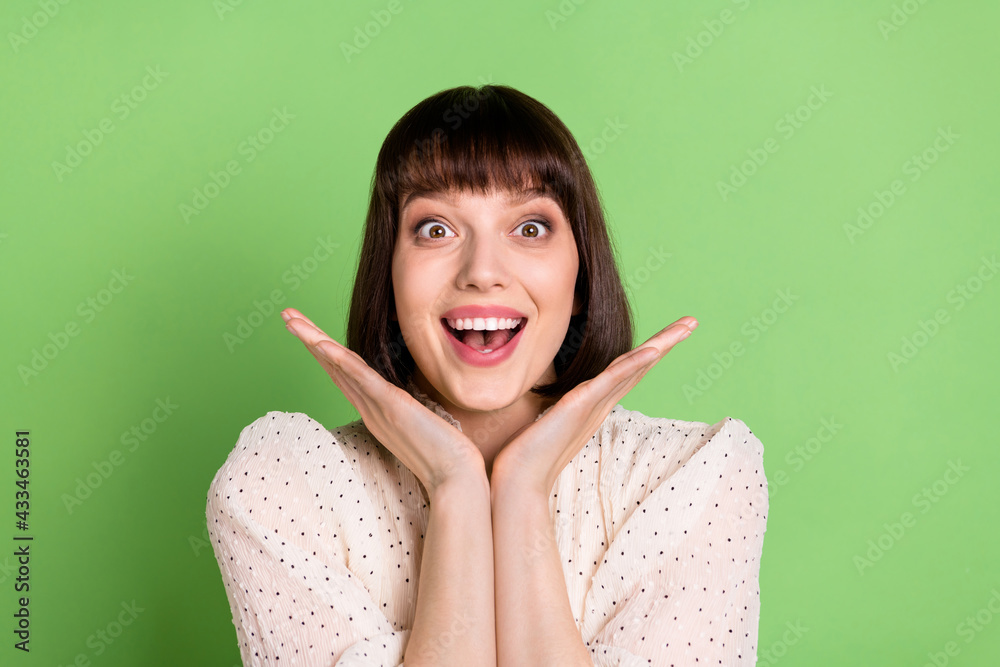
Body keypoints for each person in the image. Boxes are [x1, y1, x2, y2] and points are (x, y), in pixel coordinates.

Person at [206, 84, 768, 666]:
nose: (482, 271)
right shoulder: (282, 487)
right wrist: (455, 487)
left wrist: (522, 489)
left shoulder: (694, 478)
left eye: (529, 227)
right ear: (391, 280)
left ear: (580, 279)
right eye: (436, 229)